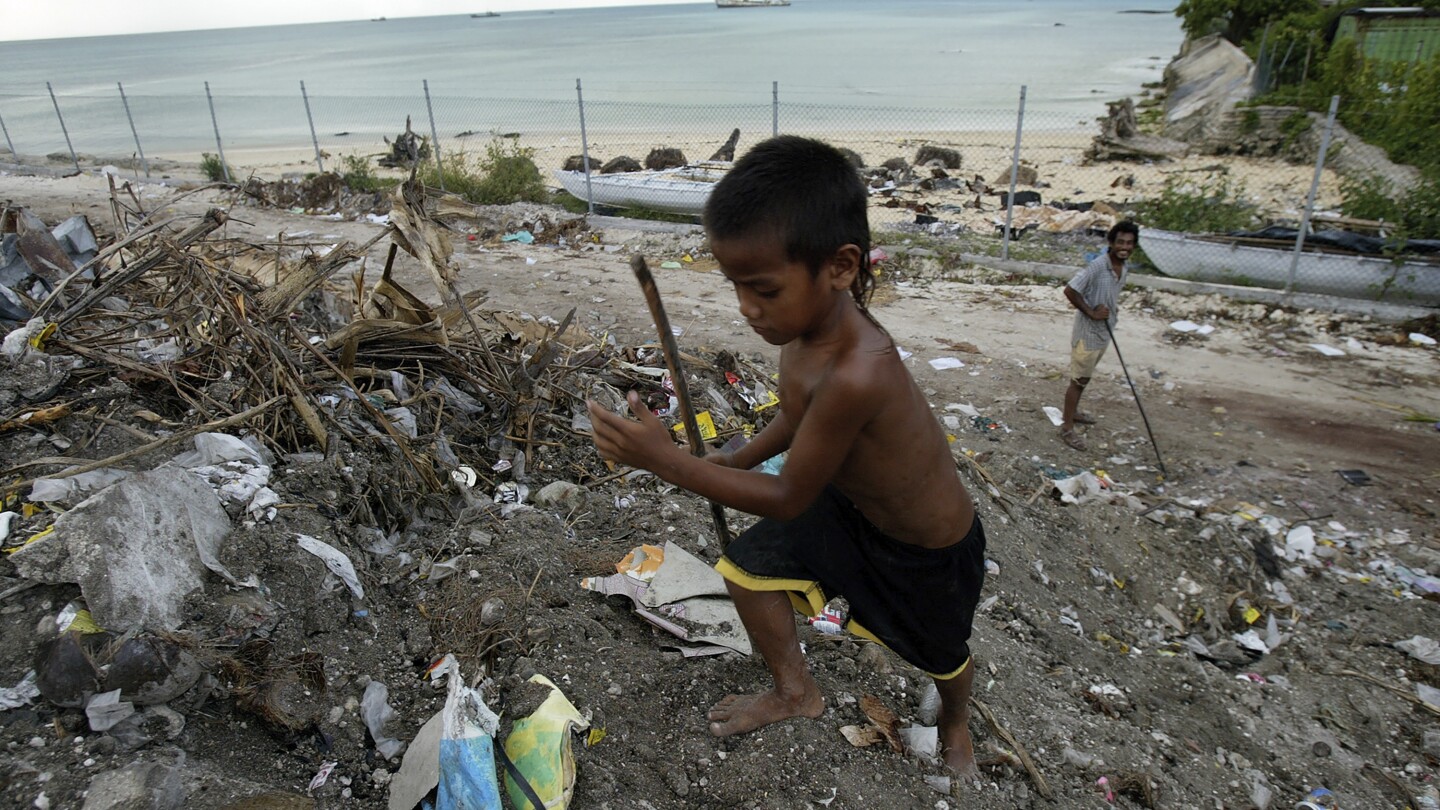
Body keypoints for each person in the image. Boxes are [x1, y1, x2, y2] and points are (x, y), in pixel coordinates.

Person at [588, 136, 988, 778]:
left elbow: (790, 497)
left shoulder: (860, 371)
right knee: (748, 570)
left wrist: (668, 461)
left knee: (941, 652)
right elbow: (795, 421)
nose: (748, 309)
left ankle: (956, 720)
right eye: (736, 287)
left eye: (764, 289)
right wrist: (734, 461)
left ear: (841, 266)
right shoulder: (803, 335)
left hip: (927, 546)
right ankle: (795, 691)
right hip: (848, 504)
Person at [1059, 221, 1138, 451]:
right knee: (1078, 380)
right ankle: (1066, 427)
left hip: (1105, 332)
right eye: (1121, 242)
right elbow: (1070, 290)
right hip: (1088, 334)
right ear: (1111, 243)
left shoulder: (1123, 268)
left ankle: (1073, 413)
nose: (1125, 247)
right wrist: (1091, 313)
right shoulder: (1097, 266)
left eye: (1130, 243)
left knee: (1085, 378)